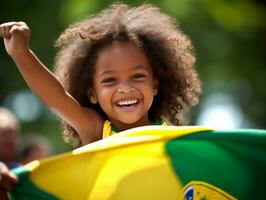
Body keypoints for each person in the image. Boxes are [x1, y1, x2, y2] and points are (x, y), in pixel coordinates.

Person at [0, 2, 201, 197]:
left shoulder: (175, 140)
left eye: (137, 76)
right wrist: (21, 53)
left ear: (155, 85)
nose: (125, 89)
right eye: (110, 80)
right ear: (92, 94)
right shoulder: (96, 131)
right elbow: (57, 97)